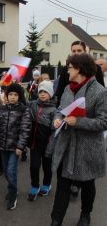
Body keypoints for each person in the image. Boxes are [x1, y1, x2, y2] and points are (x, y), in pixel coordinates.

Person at [50, 54, 107, 226]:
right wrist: (57, 118)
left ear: (80, 69)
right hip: (66, 146)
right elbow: (61, 109)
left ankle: (85, 214)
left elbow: (103, 122)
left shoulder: (100, 91)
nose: (67, 70)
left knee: (87, 184)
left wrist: (79, 122)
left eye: (70, 67)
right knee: (63, 185)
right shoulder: (68, 88)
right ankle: (55, 220)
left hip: (87, 148)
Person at [0, 83, 31, 210]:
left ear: (19, 96)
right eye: (10, 94)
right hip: (1, 146)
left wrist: (20, 147)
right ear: (6, 95)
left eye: (15, 95)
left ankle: (13, 195)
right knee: (6, 171)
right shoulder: (0, 109)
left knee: (11, 171)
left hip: (15, 147)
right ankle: (12, 188)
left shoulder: (24, 110)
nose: (12, 97)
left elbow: (25, 129)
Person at [27, 80, 56, 201]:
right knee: (34, 166)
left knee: (47, 167)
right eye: (41, 92)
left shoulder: (54, 110)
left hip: (47, 145)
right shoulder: (32, 104)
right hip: (34, 144)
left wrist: (56, 124)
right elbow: (22, 104)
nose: (43, 94)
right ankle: (34, 185)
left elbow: (55, 128)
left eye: (45, 92)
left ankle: (47, 184)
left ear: (51, 94)